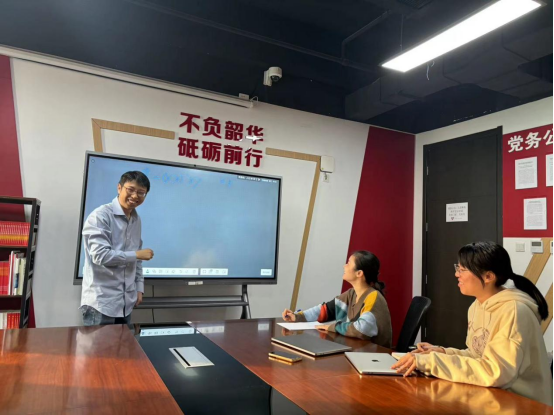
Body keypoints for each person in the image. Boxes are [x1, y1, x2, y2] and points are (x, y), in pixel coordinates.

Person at [392, 241, 553, 406]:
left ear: (488, 277)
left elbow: (496, 372)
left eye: (462, 270)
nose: (457, 274)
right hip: (493, 396)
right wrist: (442, 352)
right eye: (458, 268)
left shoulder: (513, 311)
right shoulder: (477, 305)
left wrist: (432, 361)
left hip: (521, 404)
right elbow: (477, 355)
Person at [80, 171, 154, 326]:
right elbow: (100, 256)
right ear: (119, 188)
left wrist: (139, 287)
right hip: (101, 304)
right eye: (130, 190)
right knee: (100, 344)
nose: (135, 196)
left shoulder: (136, 219)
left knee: (123, 343)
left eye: (141, 193)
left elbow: (137, 260)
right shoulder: (100, 216)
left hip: (126, 303)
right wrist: (136, 255)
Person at [282, 251, 392, 347]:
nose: (344, 266)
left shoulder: (373, 297)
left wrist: (333, 327)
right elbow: (324, 310)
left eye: (349, 263)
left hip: (374, 356)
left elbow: (362, 329)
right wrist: (297, 316)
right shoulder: (351, 294)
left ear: (359, 273)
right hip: (357, 352)